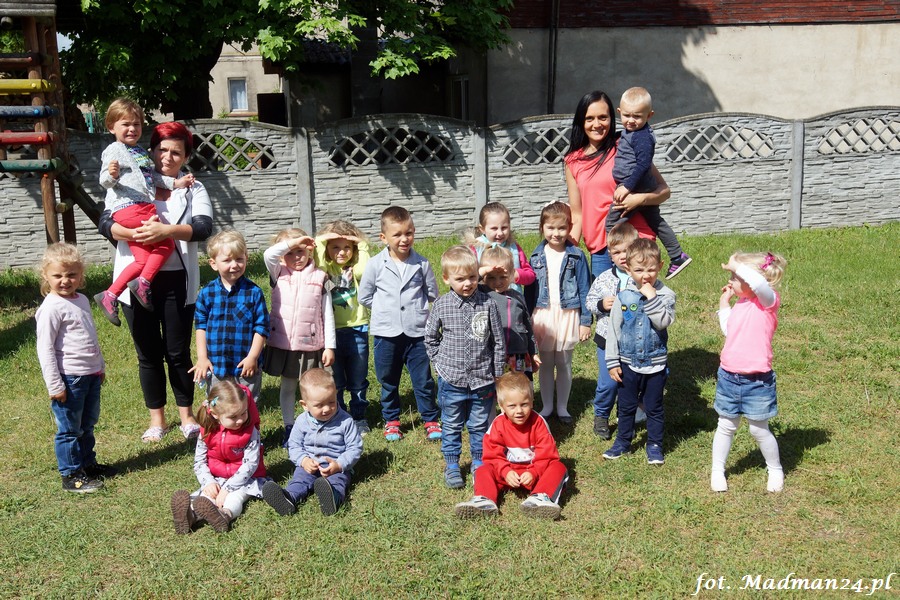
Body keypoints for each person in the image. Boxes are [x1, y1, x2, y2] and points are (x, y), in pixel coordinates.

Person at [97, 121, 213, 443]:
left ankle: (187, 417)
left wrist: (167, 231)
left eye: (176, 152)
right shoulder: (125, 181)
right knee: (147, 354)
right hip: (135, 280)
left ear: (186, 156)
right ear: (150, 151)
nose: (167, 157)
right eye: (162, 149)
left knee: (177, 353)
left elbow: (203, 228)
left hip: (177, 281)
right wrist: (134, 233)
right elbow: (105, 223)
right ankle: (157, 421)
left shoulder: (193, 188)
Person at [94, 98, 194, 325]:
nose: (132, 129)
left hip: (133, 209)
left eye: (136, 124)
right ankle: (144, 283)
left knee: (142, 260)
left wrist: (175, 183)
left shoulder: (139, 152)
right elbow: (104, 180)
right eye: (125, 124)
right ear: (111, 127)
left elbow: (153, 177)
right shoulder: (114, 149)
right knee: (166, 245)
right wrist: (112, 175)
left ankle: (110, 295)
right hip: (133, 207)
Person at [35, 243, 116, 493]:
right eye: (57, 275)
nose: (65, 281)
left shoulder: (80, 300)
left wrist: (99, 366)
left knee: (87, 424)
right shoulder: (51, 307)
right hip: (69, 378)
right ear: (46, 276)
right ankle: (71, 474)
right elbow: (45, 349)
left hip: (89, 375)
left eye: (71, 274)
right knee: (69, 429)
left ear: (81, 275)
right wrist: (55, 385)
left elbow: (89, 336)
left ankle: (87, 464)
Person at [564, 90, 671, 278]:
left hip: (637, 242)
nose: (597, 124)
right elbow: (577, 213)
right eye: (589, 118)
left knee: (639, 297)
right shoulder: (573, 161)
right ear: (581, 121)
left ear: (612, 118)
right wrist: (564, 250)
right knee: (604, 296)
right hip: (600, 246)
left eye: (603, 117)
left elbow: (664, 191)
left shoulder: (625, 145)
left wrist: (639, 200)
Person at [358, 206, 442, 442]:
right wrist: (385, 309)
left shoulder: (421, 263)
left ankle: (430, 419)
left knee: (423, 380)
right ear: (383, 237)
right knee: (388, 380)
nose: (404, 239)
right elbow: (364, 296)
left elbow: (432, 294)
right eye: (397, 234)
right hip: (386, 333)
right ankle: (392, 420)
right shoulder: (375, 264)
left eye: (409, 233)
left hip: (417, 333)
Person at [425, 246, 505, 489]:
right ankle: (452, 465)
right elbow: (430, 338)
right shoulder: (442, 305)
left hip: (482, 379)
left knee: (479, 425)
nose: (467, 283)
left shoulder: (488, 304)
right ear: (446, 279)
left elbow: (498, 341)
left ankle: (479, 463)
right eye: (460, 279)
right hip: (452, 379)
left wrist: (497, 372)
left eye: (472, 277)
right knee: (451, 424)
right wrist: (439, 364)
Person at [712, 252, 787, 493]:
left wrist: (736, 265)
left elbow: (758, 284)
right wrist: (724, 304)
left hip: (757, 381)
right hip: (728, 377)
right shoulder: (742, 304)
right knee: (726, 425)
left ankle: (775, 469)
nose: (731, 280)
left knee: (758, 429)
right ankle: (717, 470)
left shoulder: (768, 302)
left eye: (735, 277)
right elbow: (729, 330)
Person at [455, 372, 569, 520]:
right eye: (512, 406)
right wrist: (505, 471)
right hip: (507, 474)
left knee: (558, 467)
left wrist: (534, 472)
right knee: (482, 469)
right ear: (502, 406)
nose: (519, 411)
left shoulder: (539, 423)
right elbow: (492, 455)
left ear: (532, 402)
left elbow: (547, 455)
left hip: (534, 473)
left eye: (524, 404)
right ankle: (484, 500)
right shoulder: (497, 424)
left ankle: (540, 498)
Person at [603, 238, 676, 465]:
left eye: (651, 269)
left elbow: (663, 322)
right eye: (639, 270)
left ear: (660, 267)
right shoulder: (624, 296)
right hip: (627, 362)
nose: (646, 276)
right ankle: (623, 442)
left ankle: (654, 445)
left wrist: (652, 297)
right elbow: (614, 329)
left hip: (655, 363)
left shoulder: (666, 295)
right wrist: (612, 361)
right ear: (628, 269)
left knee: (654, 407)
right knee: (626, 407)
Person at [608, 87, 691, 279]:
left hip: (636, 186)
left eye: (637, 116)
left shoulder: (642, 136)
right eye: (626, 115)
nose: (631, 120)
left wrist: (628, 186)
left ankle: (613, 257)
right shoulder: (630, 132)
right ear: (619, 112)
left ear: (649, 115)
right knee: (656, 221)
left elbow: (643, 164)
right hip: (639, 185)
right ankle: (677, 255)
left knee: (613, 221)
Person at [263, 228, 336, 447]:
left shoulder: (321, 277)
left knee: (311, 388)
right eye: (290, 252)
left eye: (300, 251)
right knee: (287, 388)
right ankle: (289, 427)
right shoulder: (278, 272)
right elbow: (268, 254)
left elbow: (327, 314)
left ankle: (312, 427)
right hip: (284, 344)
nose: (296, 257)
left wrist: (330, 346)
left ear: (309, 251)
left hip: (310, 345)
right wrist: (294, 242)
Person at [170, 380, 268, 533]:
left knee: (235, 497)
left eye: (244, 413)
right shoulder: (207, 430)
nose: (240, 420)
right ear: (215, 414)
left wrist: (228, 488)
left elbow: (251, 464)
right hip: (217, 477)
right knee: (205, 496)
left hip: (245, 479)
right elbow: (199, 461)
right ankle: (189, 516)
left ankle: (224, 515)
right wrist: (208, 482)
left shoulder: (250, 432)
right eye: (233, 417)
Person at [262, 369, 363, 516]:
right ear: (305, 405)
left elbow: (355, 447)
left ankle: (333, 498)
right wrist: (303, 461)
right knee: (299, 480)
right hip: (309, 465)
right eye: (319, 405)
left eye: (331, 402)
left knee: (337, 482)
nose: (327, 409)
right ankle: (289, 498)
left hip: (335, 467)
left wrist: (339, 464)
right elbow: (294, 445)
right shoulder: (301, 421)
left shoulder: (345, 421)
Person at [530, 201, 592, 424]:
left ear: (569, 228)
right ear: (542, 228)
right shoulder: (536, 256)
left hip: (567, 313)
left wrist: (585, 321)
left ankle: (562, 407)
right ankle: (547, 406)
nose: (556, 233)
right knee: (545, 362)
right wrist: (527, 319)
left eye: (562, 228)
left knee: (564, 362)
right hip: (544, 313)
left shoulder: (577, 256)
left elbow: (585, 288)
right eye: (551, 228)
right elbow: (530, 290)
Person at [191, 230, 269, 399]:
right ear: (213, 263)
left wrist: (253, 357)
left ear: (246, 258)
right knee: (218, 404)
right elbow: (201, 327)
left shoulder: (254, 292)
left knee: (247, 403)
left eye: (239, 259)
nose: (234, 265)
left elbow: (261, 328)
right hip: (217, 364)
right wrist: (202, 358)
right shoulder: (207, 293)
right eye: (227, 260)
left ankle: (248, 418)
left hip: (245, 364)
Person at [314, 220, 372, 434]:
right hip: (332, 333)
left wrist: (362, 244)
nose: (341, 252)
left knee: (358, 379)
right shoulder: (325, 269)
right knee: (335, 380)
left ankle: (358, 416)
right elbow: (318, 262)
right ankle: (338, 415)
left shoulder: (355, 269)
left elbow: (364, 271)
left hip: (357, 329)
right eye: (335, 247)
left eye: (347, 247)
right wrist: (322, 240)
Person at [586, 222, 640, 440]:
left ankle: (625, 418)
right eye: (616, 252)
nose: (622, 256)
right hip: (607, 340)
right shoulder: (604, 278)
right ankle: (601, 415)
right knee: (608, 382)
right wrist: (601, 305)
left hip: (633, 341)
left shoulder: (642, 277)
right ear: (610, 254)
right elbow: (589, 301)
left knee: (629, 383)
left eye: (627, 250)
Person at [479, 246, 539, 379]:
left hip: (518, 354)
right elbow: (467, 282)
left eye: (503, 277)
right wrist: (482, 271)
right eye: (491, 277)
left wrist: (533, 352)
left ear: (512, 274)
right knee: (497, 388)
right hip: (492, 354)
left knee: (520, 386)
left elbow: (528, 326)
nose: (498, 282)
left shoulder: (517, 297)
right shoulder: (481, 294)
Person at [465, 202, 535, 294]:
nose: (500, 233)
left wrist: (515, 275)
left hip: (512, 298)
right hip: (484, 298)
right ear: (482, 229)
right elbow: (466, 276)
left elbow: (530, 275)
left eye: (504, 227)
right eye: (494, 228)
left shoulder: (513, 247)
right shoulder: (476, 248)